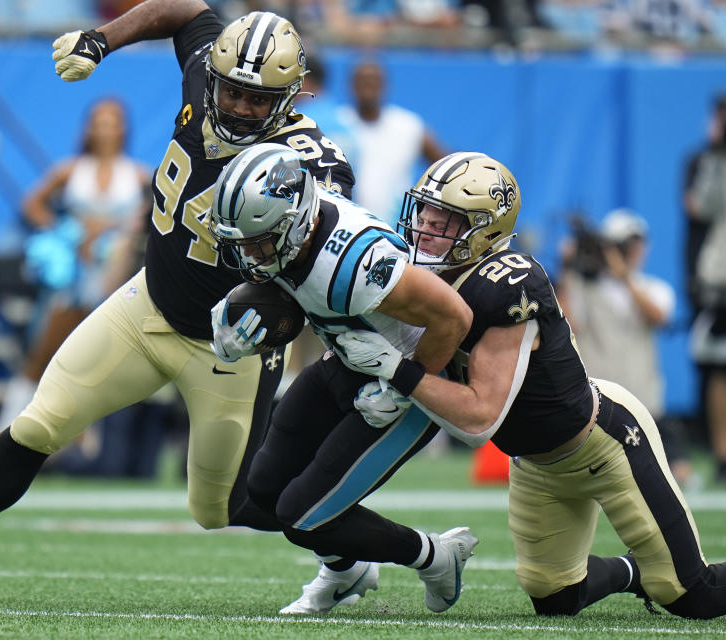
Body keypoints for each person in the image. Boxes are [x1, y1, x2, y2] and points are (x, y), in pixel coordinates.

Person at [0, 2, 356, 604]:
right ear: (212, 75)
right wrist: (100, 39)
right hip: (145, 306)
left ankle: (348, 553)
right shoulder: (202, 72)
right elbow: (186, 8)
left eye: (258, 98)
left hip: (228, 346)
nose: (241, 106)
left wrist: (276, 307)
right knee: (38, 423)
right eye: (233, 90)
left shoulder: (312, 163)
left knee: (224, 507)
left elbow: (321, 258)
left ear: (291, 96)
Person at [338, 151, 726, 619]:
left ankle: (668, 576)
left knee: (691, 594)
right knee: (555, 597)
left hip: (604, 444)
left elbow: (480, 416)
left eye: (444, 217)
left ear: (485, 229)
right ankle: (632, 572)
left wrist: (395, 371)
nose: (425, 223)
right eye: (424, 208)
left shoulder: (509, 281)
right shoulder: (423, 274)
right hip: (536, 465)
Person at [207, 143, 477, 615]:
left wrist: (402, 384)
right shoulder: (295, 227)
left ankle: (436, 556)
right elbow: (290, 285)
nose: (249, 255)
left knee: (302, 517)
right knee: (262, 491)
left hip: (408, 381)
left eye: (258, 242)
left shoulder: (359, 263)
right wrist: (241, 317)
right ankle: (346, 569)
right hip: (351, 355)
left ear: (295, 221)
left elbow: (453, 318)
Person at [0, 98, 151, 436]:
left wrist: (112, 232)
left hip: (115, 283)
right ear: (88, 128)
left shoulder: (137, 175)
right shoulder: (70, 170)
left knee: (102, 362)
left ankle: (87, 443)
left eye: (111, 122)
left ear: (123, 129)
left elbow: (151, 219)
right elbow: (32, 204)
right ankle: (4, 431)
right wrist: (66, 230)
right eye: (98, 122)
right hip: (72, 279)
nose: (104, 130)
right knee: (44, 353)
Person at [557, 209, 691, 487]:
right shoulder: (584, 287)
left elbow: (659, 317)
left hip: (645, 402)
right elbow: (569, 325)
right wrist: (567, 269)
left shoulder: (654, 287)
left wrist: (624, 277)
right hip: (598, 401)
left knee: (670, 475)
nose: (629, 252)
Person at [337, 61, 446, 227]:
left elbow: (445, 166)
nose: (368, 87)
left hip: (396, 228)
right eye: (363, 81)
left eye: (374, 81)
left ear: (385, 86)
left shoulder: (408, 126)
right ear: (351, 85)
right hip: (346, 226)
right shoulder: (337, 124)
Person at [684, 94, 726, 485]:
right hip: (720, 276)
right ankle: (722, 452)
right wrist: (717, 154)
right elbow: (702, 206)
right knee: (717, 367)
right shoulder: (707, 161)